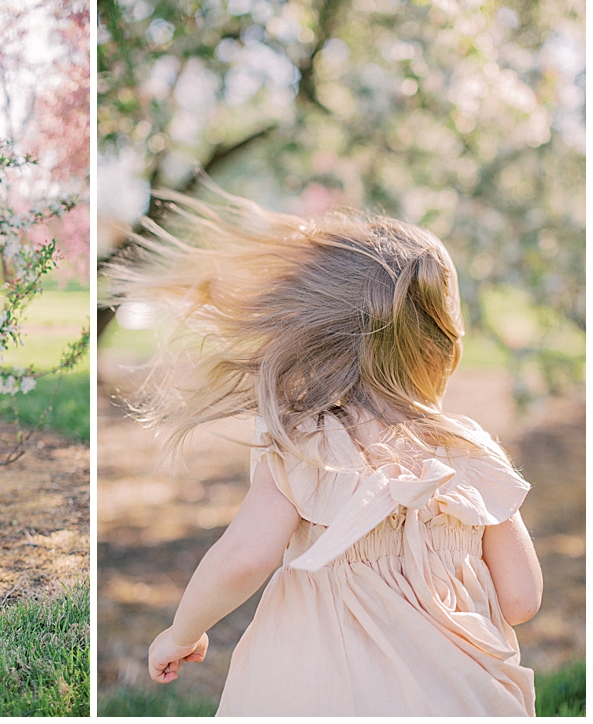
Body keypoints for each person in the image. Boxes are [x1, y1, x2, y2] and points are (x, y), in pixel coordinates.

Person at [104, 188, 543, 716]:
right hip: (456, 697)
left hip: (322, 687)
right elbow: (521, 599)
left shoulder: (307, 446)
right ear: (440, 344)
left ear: (318, 336)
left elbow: (244, 559)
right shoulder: (470, 452)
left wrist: (182, 631)